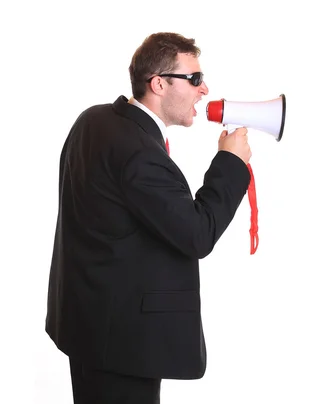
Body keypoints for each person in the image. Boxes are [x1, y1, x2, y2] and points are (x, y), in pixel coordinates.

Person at [45, 32, 252, 403]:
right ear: (158, 83)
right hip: (124, 345)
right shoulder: (140, 152)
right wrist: (231, 163)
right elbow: (197, 234)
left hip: (89, 326)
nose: (204, 90)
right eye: (194, 79)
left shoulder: (94, 120)